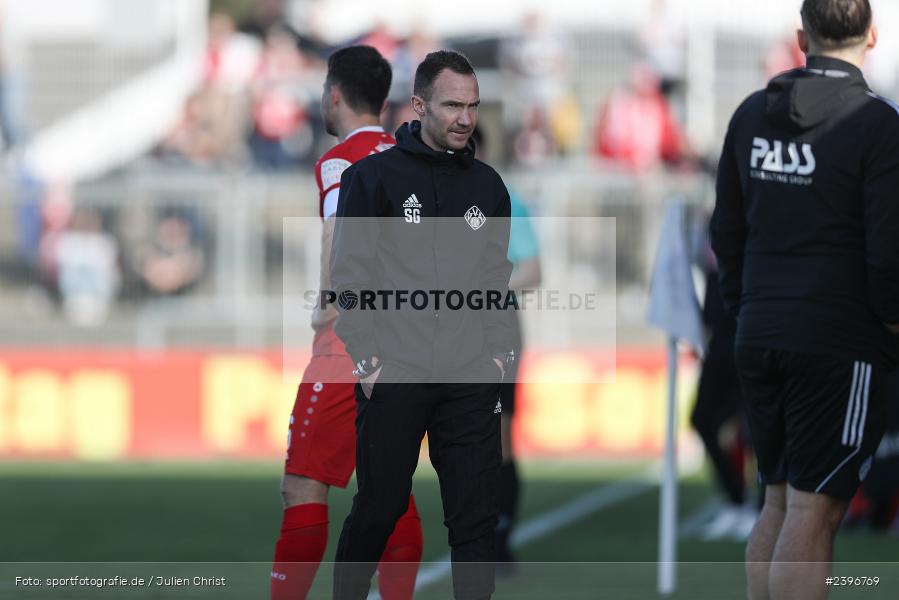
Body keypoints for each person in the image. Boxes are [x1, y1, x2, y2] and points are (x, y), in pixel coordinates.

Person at [710, 2, 899, 599]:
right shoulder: (877, 125)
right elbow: (887, 248)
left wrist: (745, 309)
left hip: (760, 330)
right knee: (813, 512)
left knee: (778, 499)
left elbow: (725, 234)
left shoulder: (749, 115)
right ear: (872, 36)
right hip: (837, 339)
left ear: (801, 38)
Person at [329, 50, 515, 600]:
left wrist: (500, 357)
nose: (464, 118)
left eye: (473, 107)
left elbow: (494, 282)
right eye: (453, 105)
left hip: (469, 376)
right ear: (418, 106)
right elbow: (349, 274)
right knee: (378, 511)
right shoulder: (373, 178)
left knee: (476, 522)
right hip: (397, 371)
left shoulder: (488, 187)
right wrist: (367, 360)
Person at [270, 46, 423, 600]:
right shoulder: (414, 154)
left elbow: (341, 224)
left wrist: (328, 302)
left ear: (333, 94)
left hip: (350, 339)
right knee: (390, 488)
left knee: (303, 486)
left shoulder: (343, 159)